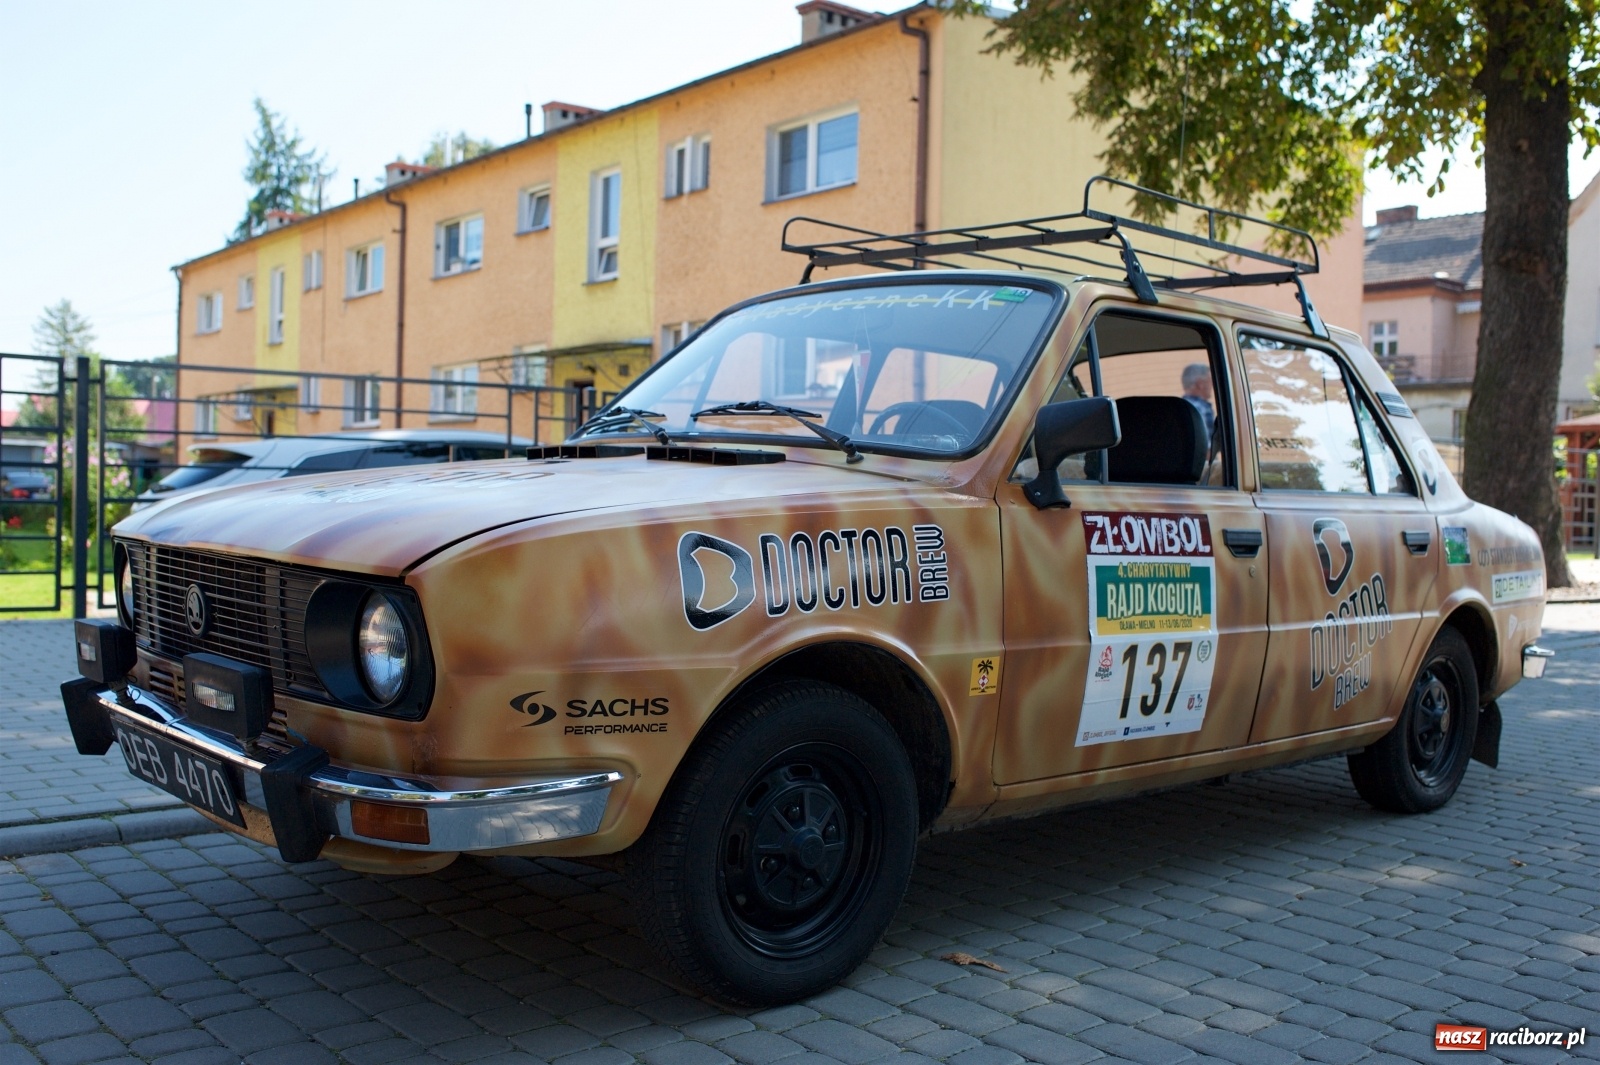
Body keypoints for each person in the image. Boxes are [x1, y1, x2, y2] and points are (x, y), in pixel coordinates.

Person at [1181, 363, 1215, 440]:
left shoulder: (1180, 407)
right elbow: (1208, 449)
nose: (1212, 385)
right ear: (1200, 384)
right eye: (1210, 381)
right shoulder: (1201, 409)